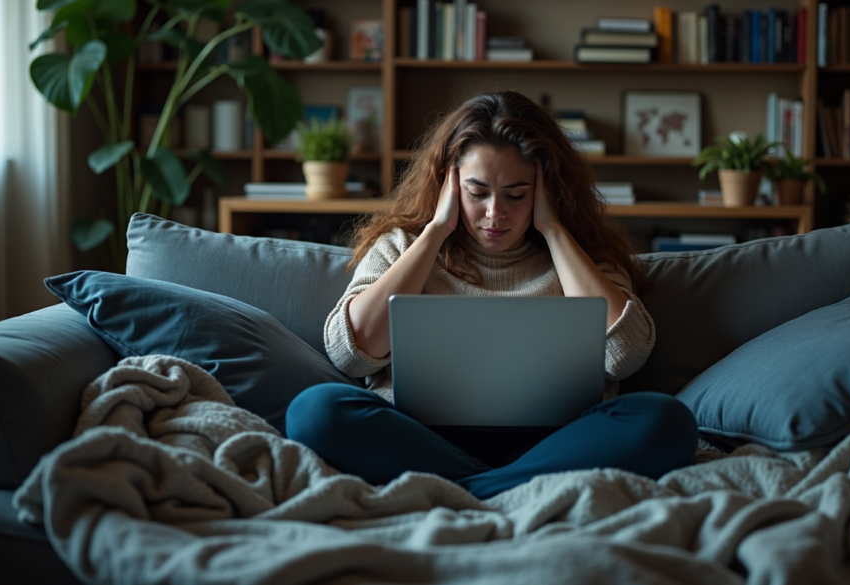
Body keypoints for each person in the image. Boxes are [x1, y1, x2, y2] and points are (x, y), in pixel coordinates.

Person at [286, 91, 699, 499]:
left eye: (516, 194)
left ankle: (467, 489)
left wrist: (555, 232)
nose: (494, 213)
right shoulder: (401, 245)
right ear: (448, 183)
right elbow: (351, 353)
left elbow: (627, 354)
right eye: (477, 192)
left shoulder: (583, 256)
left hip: (554, 442)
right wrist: (435, 233)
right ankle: (513, 487)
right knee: (314, 411)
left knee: (667, 421)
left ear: (546, 190)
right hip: (423, 440)